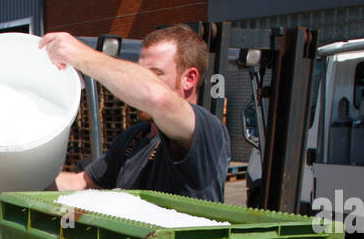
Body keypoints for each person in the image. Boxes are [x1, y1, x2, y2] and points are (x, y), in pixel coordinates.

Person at [42, 24, 230, 202]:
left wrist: (80, 55)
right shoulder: (135, 137)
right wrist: (22, 178)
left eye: (155, 74)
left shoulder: (206, 130)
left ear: (189, 79)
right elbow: (83, 182)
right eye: (141, 72)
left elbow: (158, 98)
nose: (141, 80)